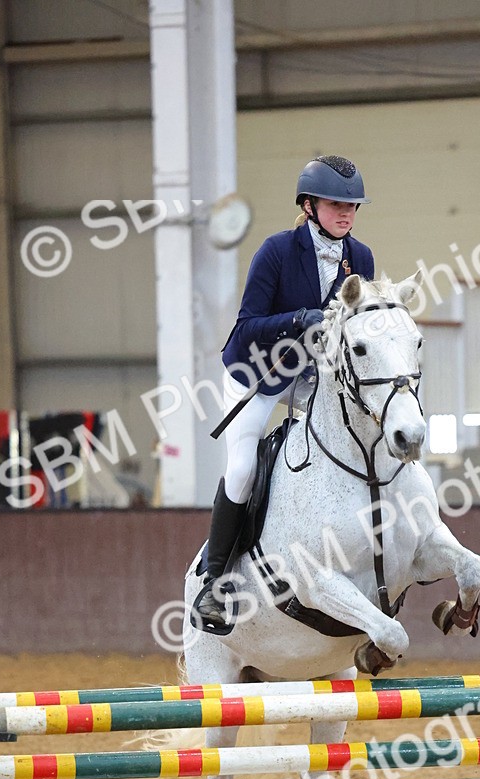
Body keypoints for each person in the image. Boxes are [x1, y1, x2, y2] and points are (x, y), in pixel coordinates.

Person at [195, 154, 376, 625]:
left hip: (314, 374)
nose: (346, 214)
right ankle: (214, 584)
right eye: (336, 204)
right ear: (309, 204)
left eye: (353, 206)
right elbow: (248, 324)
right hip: (257, 370)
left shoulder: (361, 257)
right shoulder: (275, 251)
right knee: (241, 467)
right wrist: (299, 318)